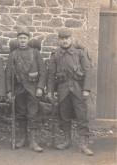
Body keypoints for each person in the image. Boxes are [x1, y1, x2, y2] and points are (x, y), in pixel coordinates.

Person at [47, 28, 93, 156]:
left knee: (81, 115)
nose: (65, 41)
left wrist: (86, 89)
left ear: (71, 39)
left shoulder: (79, 53)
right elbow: (50, 74)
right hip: (63, 90)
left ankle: (83, 143)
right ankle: (67, 140)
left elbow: (88, 71)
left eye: (67, 38)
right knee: (64, 115)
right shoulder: (56, 55)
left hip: (78, 89)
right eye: (62, 38)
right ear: (59, 40)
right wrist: (50, 91)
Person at [5, 28, 47, 152]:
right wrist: (9, 91)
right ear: (17, 40)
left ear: (28, 40)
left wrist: (40, 87)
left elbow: (43, 71)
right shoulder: (13, 54)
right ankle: (23, 138)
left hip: (33, 89)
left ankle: (33, 141)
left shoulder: (35, 53)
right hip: (18, 89)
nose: (22, 40)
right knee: (21, 114)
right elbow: (8, 74)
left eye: (25, 38)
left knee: (33, 115)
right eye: (20, 38)